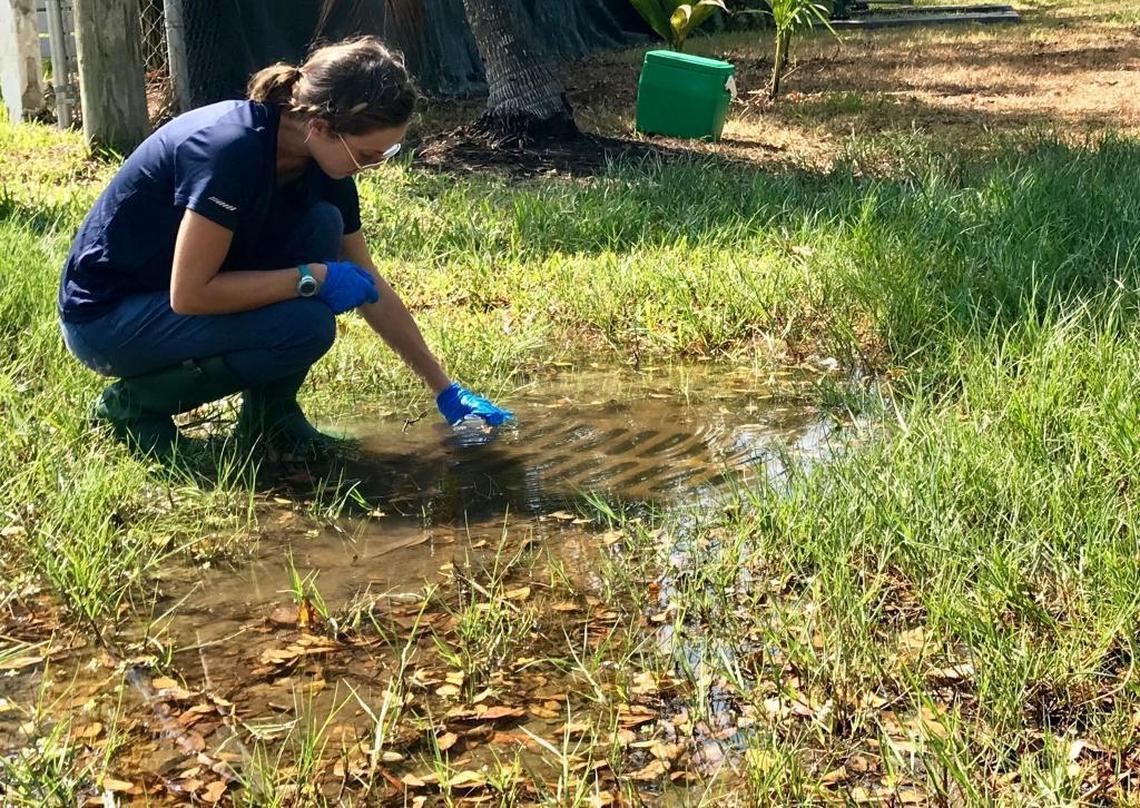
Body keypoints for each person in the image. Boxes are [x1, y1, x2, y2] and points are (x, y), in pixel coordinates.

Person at [57, 36, 512, 458]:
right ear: (320, 127)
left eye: (385, 154)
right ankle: (134, 407)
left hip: (171, 306)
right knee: (305, 323)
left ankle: (269, 419)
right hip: (108, 321)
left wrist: (443, 388)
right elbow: (190, 293)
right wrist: (312, 278)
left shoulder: (326, 169)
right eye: (369, 154)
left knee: (321, 226)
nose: (374, 166)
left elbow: (371, 286)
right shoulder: (230, 150)